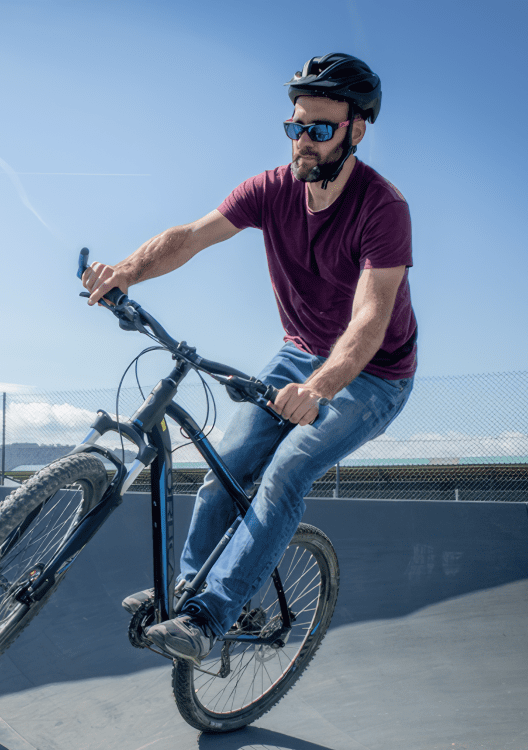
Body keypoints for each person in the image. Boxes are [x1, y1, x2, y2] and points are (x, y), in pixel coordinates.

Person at [81, 53, 417, 663]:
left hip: (372, 375)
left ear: (356, 130)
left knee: (287, 470)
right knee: (228, 467)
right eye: (296, 127)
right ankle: (186, 591)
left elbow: (371, 318)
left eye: (320, 129)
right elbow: (189, 237)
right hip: (298, 353)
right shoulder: (270, 190)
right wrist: (125, 272)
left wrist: (319, 389)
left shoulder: (382, 208)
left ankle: (209, 619)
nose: (304, 143)